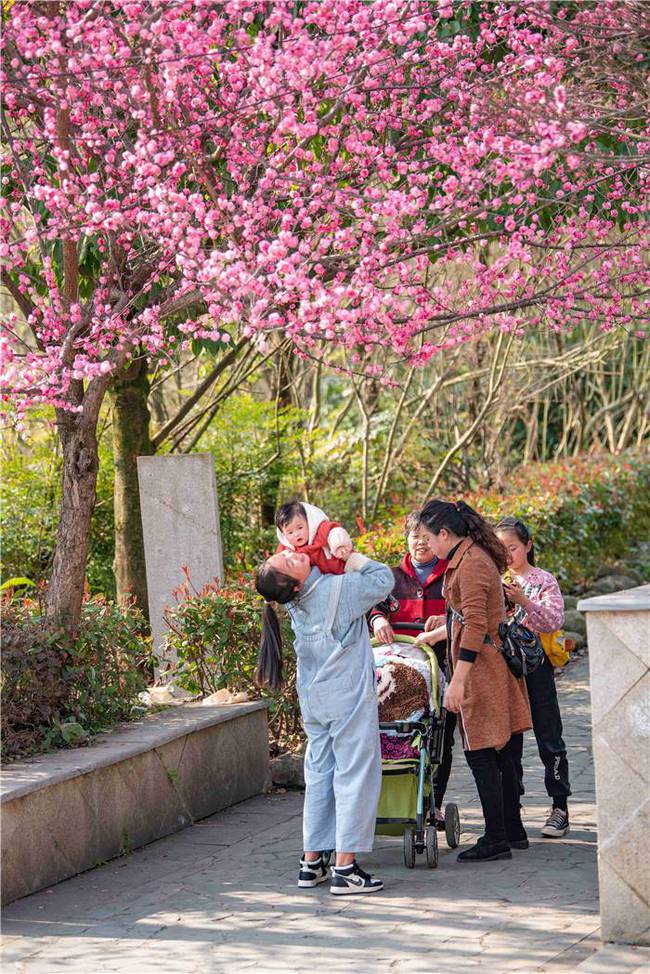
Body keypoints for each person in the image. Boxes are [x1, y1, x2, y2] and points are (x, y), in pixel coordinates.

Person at [255, 542, 394, 895]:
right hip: (346, 698)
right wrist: (349, 557)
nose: (292, 552)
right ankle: (345, 868)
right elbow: (383, 579)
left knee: (319, 775)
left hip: (314, 698)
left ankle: (311, 861)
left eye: (285, 552)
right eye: (287, 561)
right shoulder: (337, 590)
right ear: (295, 585)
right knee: (355, 776)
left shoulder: (292, 604)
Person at [418, 499, 532, 863]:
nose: (428, 546)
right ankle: (512, 831)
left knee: (481, 751)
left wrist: (459, 681)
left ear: (446, 534)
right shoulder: (473, 557)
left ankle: (496, 837)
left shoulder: (470, 563)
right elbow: (471, 613)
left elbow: (477, 624)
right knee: (507, 749)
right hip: (493, 664)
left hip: (483, 670)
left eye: (429, 538)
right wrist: (446, 621)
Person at [369, 511, 455, 828]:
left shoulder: (451, 577)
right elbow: (374, 607)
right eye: (414, 536)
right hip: (393, 669)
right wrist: (377, 619)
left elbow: (463, 614)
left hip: (439, 668)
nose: (420, 542)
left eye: (426, 536)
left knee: (439, 736)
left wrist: (442, 627)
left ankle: (433, 803)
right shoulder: (390, 578)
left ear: (439, 539)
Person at [496, 516, 571, 838]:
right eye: (500, 549)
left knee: (549, 735)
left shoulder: (543, 580)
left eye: (512, 547)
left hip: (536, 666)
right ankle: (512, 808)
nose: (507, 555)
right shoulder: (493, 578)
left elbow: (554, 619)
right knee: (509, 740)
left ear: (528, 545)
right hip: (503, 667)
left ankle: (560, 807)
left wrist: (523, 601)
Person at [275, 500, 352, 575]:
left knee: (355, 561)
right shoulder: (286, 549)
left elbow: (334, 532)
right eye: (290, 532)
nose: (296, 534)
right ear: (283, 534)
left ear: (308, 522)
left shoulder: (319, 531)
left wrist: (339, 545)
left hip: (342, 571)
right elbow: (278, 564)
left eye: (300, 528)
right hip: (317, 583)